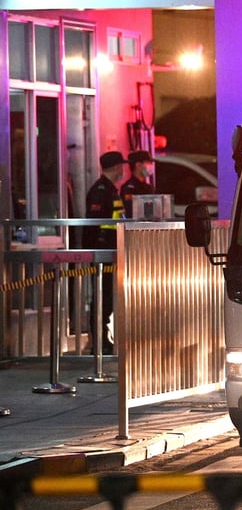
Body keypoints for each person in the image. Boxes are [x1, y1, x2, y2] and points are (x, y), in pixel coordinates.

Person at [83, 151, 127, 355]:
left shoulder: (110, 190)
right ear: (117, 167)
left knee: (108, 297)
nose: (123, 170)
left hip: (111, 253)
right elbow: (94, 225)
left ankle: (102, 340)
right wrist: (95, 252)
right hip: (101, 254)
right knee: (102, 297)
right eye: (121, 166)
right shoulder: (100, 191)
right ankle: (98, 341)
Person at [120, 149, 155, 218]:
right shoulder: (129, 188)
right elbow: (131, 212)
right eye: (148, 163)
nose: (151, 166)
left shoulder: (148, 187)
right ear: (138, 165)